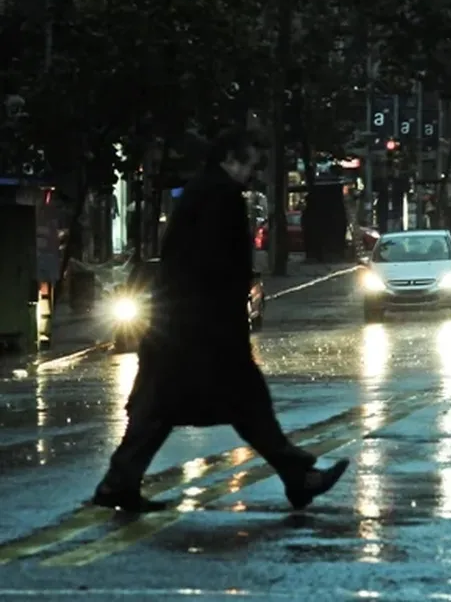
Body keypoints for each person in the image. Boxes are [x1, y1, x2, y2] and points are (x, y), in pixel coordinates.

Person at [93, 128, 349, 513]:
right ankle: (297, 476)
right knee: (228, 404)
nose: (250, 172)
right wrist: (228, 321)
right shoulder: (221, 197)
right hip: (203, 331)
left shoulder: (199, 193)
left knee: (168, 406)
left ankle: (120, 482)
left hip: (183, 328)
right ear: (230, 159)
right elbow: (218, 267)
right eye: (248, 163)